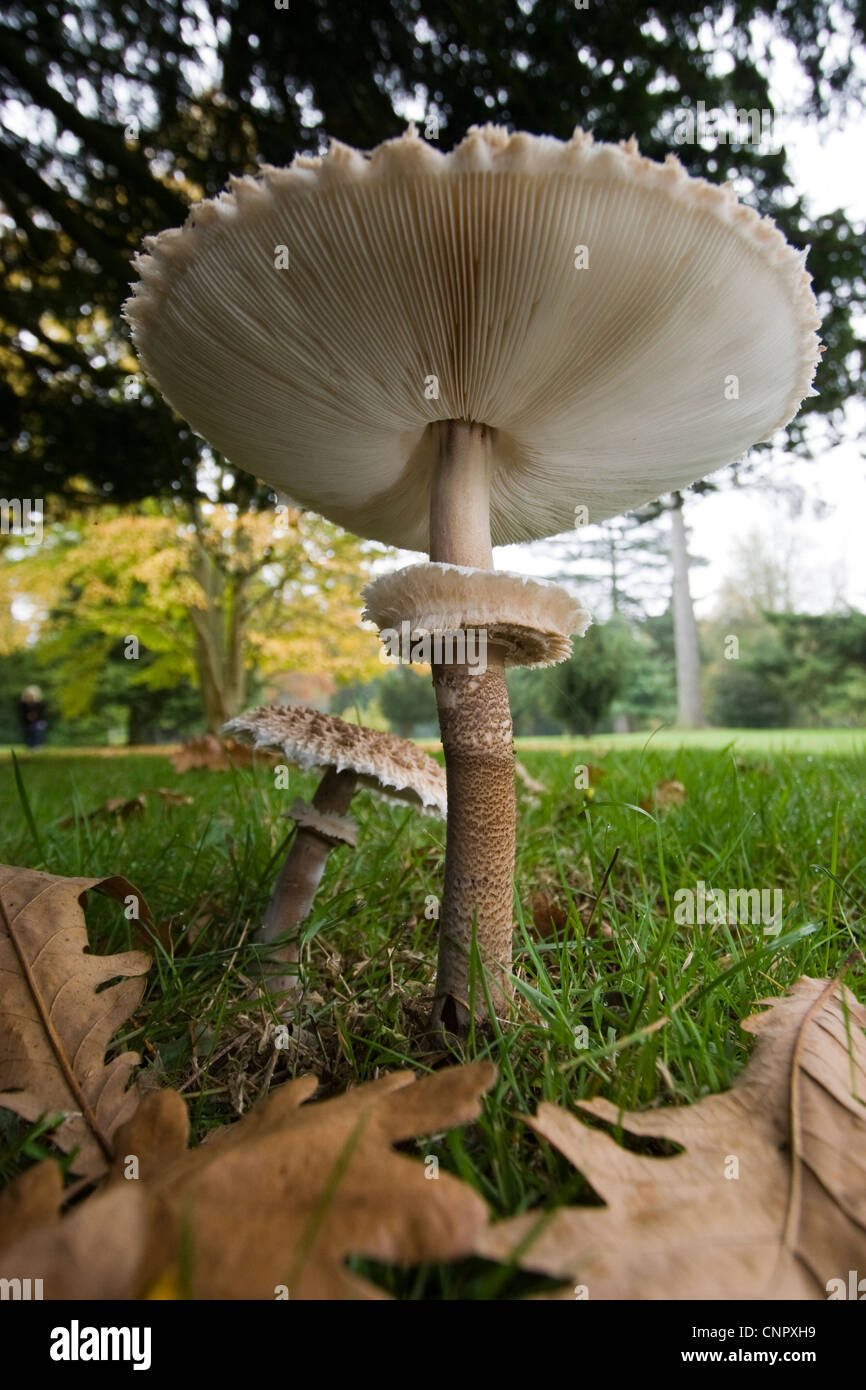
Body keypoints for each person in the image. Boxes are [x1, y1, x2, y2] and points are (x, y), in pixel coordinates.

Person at [19, 685, 48, 750]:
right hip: (27, 723)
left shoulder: (40, 704)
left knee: (37, 730)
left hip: (38, 722)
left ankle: (37, 746)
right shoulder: (24, 704)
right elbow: (22, 715)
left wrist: (35, 716)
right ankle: (30, 746)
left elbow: (42, 715)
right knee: (28, 732)